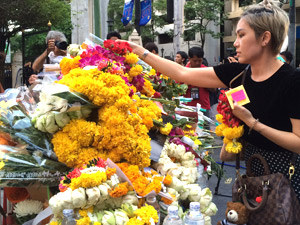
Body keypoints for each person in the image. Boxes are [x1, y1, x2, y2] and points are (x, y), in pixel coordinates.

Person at [119, 0, 300, 201]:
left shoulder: (292, 81)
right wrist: (138, 51)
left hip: (285, 178)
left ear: (265, 38)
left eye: (241, 35)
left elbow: (298, 142)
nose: (236, 43)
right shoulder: (238, 74)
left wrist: (252, 123)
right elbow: (182, 73)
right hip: (252, 174)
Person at [184, 47, 211, 118]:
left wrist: (202, 81)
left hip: (204, 107)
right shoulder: (183, 71)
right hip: (188, 107)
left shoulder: (206, 70)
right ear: (189, 59)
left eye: (200, 61)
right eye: (195, 61)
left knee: (205, 128)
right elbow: (178, 90)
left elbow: (214, 89)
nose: (197, 63)